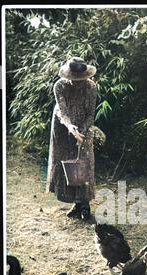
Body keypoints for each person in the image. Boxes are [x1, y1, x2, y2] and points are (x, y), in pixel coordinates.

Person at [46, 57, 97, 221]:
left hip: (84, 125)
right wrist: (70, 127)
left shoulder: (91, 87)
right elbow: (63, 111)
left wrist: (82, 130)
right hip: (62, 125)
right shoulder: (59, 86)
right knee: (67, 161)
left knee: (84, 161)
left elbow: (91, 114)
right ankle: (75, 203)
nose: (77, 82)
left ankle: (85, 204)